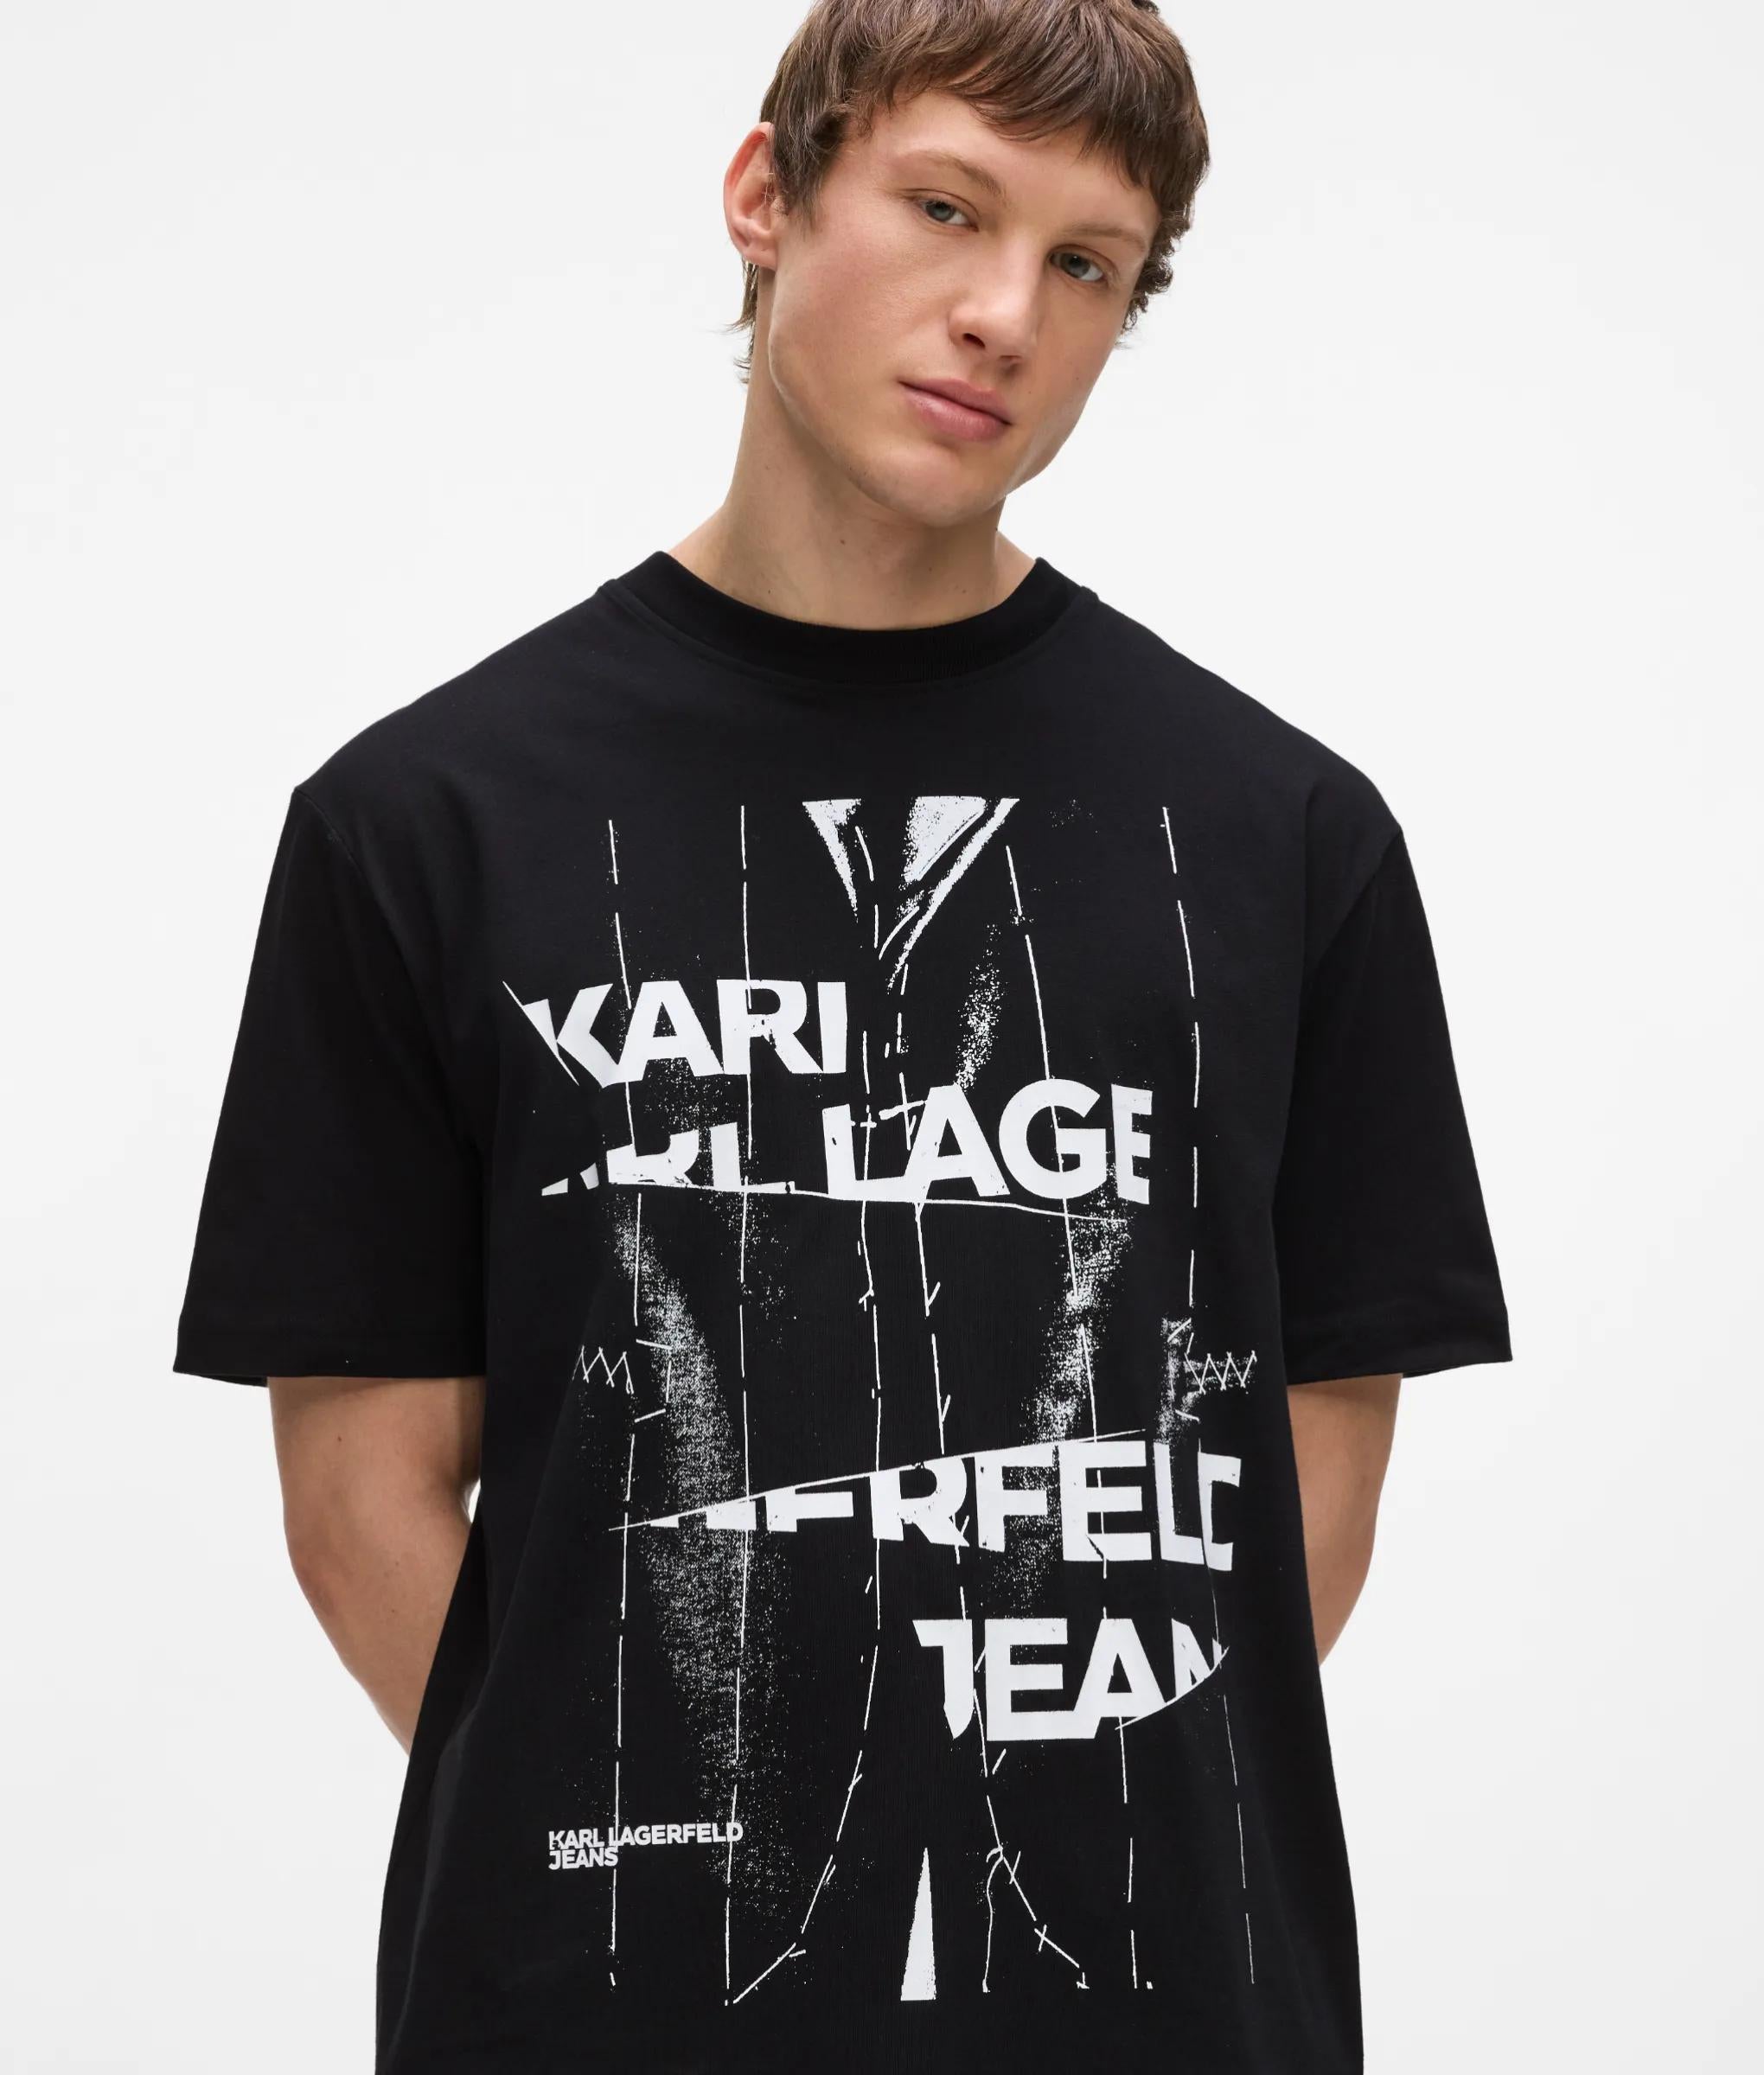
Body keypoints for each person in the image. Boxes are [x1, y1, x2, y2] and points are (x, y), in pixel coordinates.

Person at [171, 2, 1512, 2069]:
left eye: (1087, 263)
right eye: (946, 208)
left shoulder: (1280, 836)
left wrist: (1037, 1776)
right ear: (767, 196)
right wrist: (671, 1827)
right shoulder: (427, 824)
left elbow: (1302, 1476)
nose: (1004, 315)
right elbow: (362, 1497)